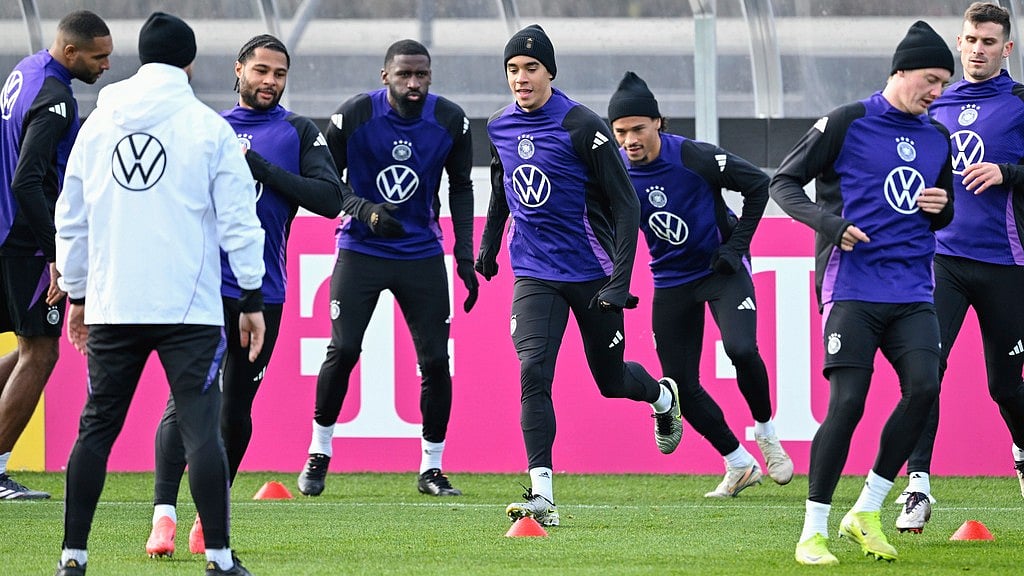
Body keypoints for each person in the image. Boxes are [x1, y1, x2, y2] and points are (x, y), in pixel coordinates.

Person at [54, 12, 263, 576]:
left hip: (114, 302)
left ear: (139, 57)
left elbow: (71, 217)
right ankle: (218, 559)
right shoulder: (206, 126)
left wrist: (75, 295)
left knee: (96, 426)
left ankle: (73, 557)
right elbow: (240, 221)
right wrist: (249, 296)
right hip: (187, 308)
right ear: (190, 62)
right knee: (201, 429)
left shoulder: (99, 122)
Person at [144, 34, 344, 558]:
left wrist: (265, 172)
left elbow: (329, 199)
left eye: (279, 74)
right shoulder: (205, 127)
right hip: (201, 289)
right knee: (185, 401)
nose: (270, 82)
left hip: (263, 294)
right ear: (239, 70)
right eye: (261, 71)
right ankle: (163, 515)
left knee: (235, 407)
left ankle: (210, 518)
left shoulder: (297, 130)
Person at [476, 24, 680, 527]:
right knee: (532, 370)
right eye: (512, 70)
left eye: (530, 69)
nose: (520, 79)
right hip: (534, 272)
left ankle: (662, 397)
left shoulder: (582, 125)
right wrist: (488, 245)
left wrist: (620, 281)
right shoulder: (498, 124)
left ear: (549, 72)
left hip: (592, 273)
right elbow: (503, 186)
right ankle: (542, 495)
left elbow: (626, 202)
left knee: (610, 383)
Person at [770, 20, 954, 566]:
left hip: (913, 287)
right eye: (930, 79)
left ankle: (867, 509)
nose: (937, 92)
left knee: (924, 390)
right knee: (848, 403)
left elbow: (947, 213)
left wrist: (942, 207)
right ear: (900, 71)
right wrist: (828, 223)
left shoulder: (938, 137)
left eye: (943, 83)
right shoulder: (848, 122)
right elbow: (783, 181)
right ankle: (813, 530)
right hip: (852, 287)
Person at [296, 39, 477, 498]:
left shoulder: (451, 120)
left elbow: (460, 187)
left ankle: (431, 468)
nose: (413, 83)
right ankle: (319, 453)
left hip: (420, 254)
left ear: (430, 76)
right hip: (361, 251)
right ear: (385, 76)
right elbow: (324, 185)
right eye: (403, 75)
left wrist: (464, 254)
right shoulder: (353, 116)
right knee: (344, 349)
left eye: (421, 75)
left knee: (436, 361)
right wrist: (362, 209)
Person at [607, 71, 793, 498]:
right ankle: (738, 463)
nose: (630, 139)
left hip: (720, 273)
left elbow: (758, 185)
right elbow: (605, 225)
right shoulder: (614, 171)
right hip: (672, 281)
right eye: (620, 132)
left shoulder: (695, 157)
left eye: (638, 128)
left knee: (741, 349)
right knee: (678, 386)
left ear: (659, 122)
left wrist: (736, 246)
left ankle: (765, 434)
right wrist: (616, 281)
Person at [893, 2, 1024, 533]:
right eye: (970, 39)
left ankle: (1021, 447)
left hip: (1005, 264)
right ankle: (917, 487)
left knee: (1005, 387)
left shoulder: (1019, 102)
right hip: (941, 261)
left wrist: (1008, 171)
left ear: (1006, 48)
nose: (977, 50)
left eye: (988, 42)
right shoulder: (936, 101)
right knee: (924, 374)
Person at [0, 10, 111, 501]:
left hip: (7, 229)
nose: (105, 65)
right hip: (27, 240)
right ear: (71, 53)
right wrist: (54, 253)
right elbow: (28, 178)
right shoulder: (58, 99)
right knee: (41, 352)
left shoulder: (26, 69)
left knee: (25, 347)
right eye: (98, 56)